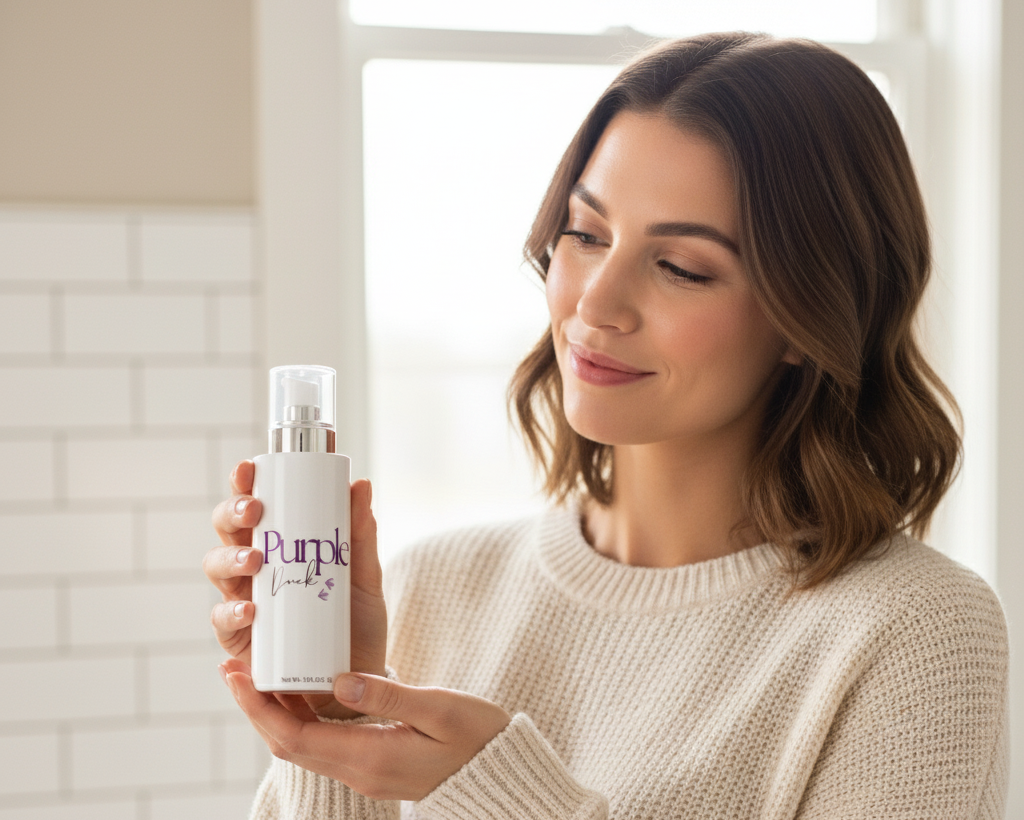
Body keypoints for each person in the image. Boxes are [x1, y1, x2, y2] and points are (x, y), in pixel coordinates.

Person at [204, 32, 1009, 819]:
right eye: (585, 235)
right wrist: (325, 728)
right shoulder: (434, 589)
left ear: (810, 314)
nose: (593, 303)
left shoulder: (915, 632)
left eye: (682, 267)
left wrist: (503, 797)